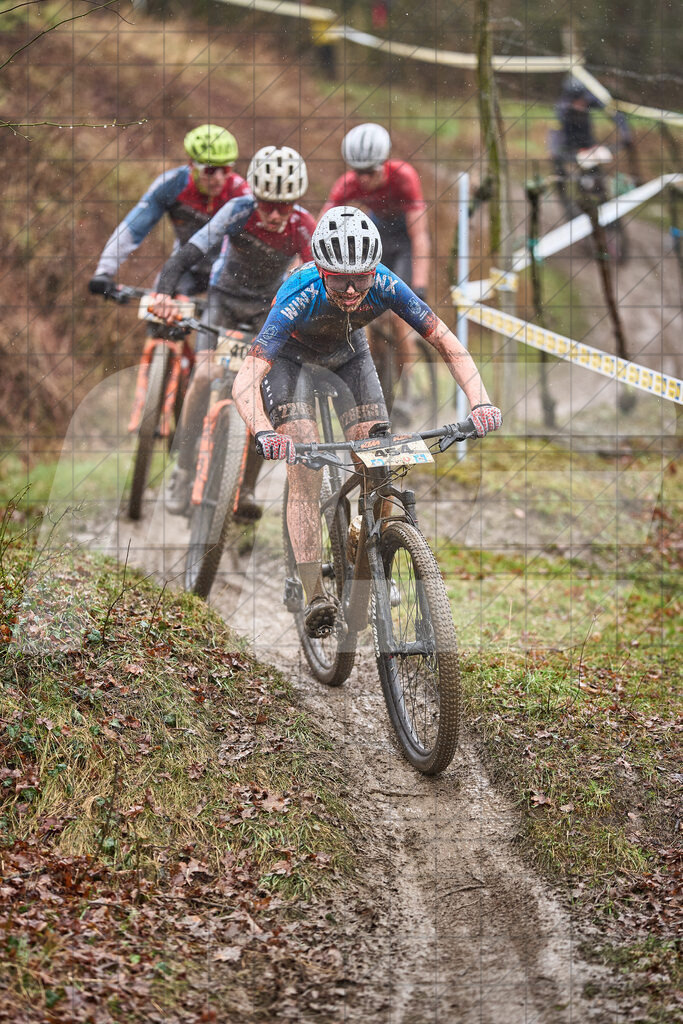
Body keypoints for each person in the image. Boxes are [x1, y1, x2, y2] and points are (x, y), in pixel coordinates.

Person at [232, 206, 502, 639]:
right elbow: (246, 379)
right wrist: (264, 430)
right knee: (303, 465)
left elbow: (445, 341)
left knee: (378, 457)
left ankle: (370, 550)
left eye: (361, 277)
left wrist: (480, 401)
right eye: (339, 279)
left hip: (348, 357)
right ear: (321, 270)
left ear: (374, 268)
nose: (352, 289)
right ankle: (314, 592)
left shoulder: (386, 284)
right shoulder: (298, 293)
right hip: (291, 363)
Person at [149, 146, 315, 519]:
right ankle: (183, 468)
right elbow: (188, 253)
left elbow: (317, 280)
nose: (275, 214)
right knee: (204, 375)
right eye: (267, 204)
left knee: (264, 394)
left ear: (295, 203)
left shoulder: (304, 225)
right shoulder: (238, 210)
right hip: (223, 301)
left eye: (284, 205)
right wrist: (163, 294)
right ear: (254, 196)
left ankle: (247, 487)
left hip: (266, 312)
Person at [321, 123, 431, 413]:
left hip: (404, 241)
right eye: (359, 172)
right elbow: (321, 229)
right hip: (379, 236)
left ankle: (409, 386)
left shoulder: (404, 176)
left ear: (384, 163)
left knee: (399, 314)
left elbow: (420, 236)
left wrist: (419, 285)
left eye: (371, 171)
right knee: (361, 311)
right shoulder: (347, 183)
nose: (365, 179)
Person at [88, 124, 248, 297]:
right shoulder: (172, 185)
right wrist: (104, 271)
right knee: (159, 301)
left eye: (225, 169)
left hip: (230, 273)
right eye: (211, 170)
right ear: (191, 165)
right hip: (185, 268)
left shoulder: (242, 193)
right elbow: (132, 229)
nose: (219, 178)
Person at [549, 78, 638, 209]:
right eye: (577, 102)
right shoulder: (562, 108)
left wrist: (625, 133)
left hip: (587, 141)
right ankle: (566, 202)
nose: (581, 104)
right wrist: (555, 151)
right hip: (568, 143)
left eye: (582, 101)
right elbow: (555, 133)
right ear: (570, 98)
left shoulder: (589, 98)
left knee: (596, 173)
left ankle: (602, 202)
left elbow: (613, 111)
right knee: (561, 171)